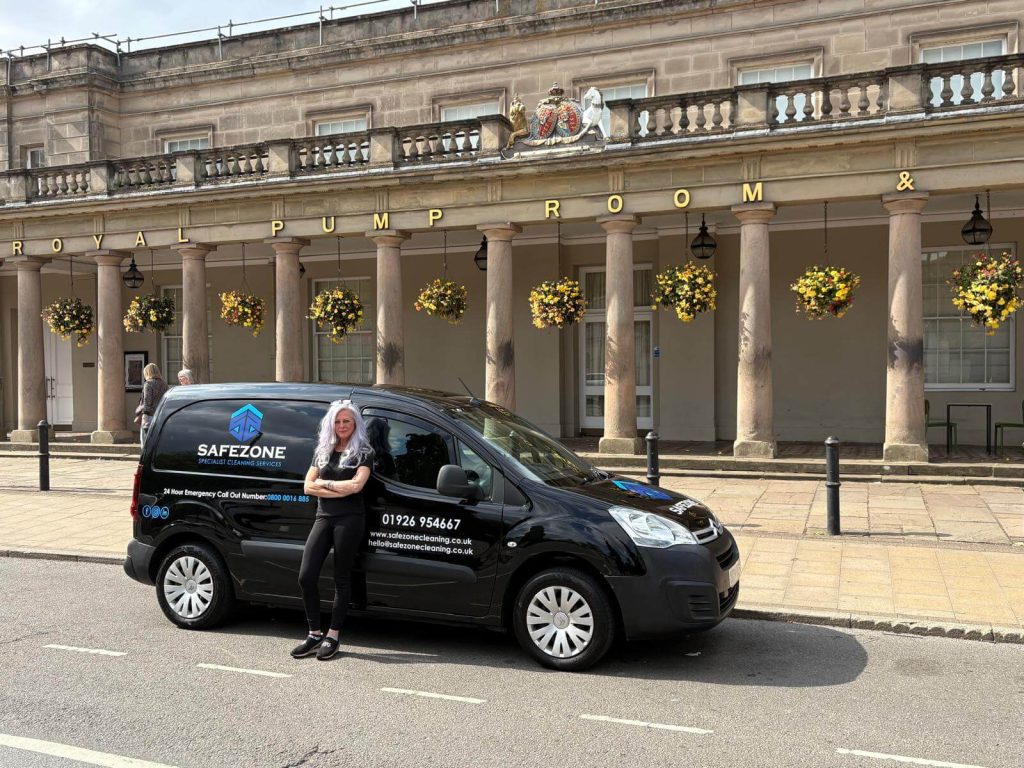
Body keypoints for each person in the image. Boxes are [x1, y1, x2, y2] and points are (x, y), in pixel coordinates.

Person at [291, 399, 373, 661]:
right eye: (337, 421)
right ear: (331, 424)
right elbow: (307, 486)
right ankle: (314, 633)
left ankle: (333, 635)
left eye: (346, 421)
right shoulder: (323, 451)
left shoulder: (364, 453)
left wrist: (323, 485)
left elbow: (356, 486)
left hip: (350, 519)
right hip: (323, 517)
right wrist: (337, 486)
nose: (341, 425)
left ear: (355, 423)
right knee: (306, 575)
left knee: (341, 577)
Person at [134, 363, 168, 448]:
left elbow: (147, 401)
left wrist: (144, 416)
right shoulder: (164, 384)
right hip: (161, 415)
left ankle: (145, 460)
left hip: (149, 415)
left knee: (145, 442)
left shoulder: (148, 384)